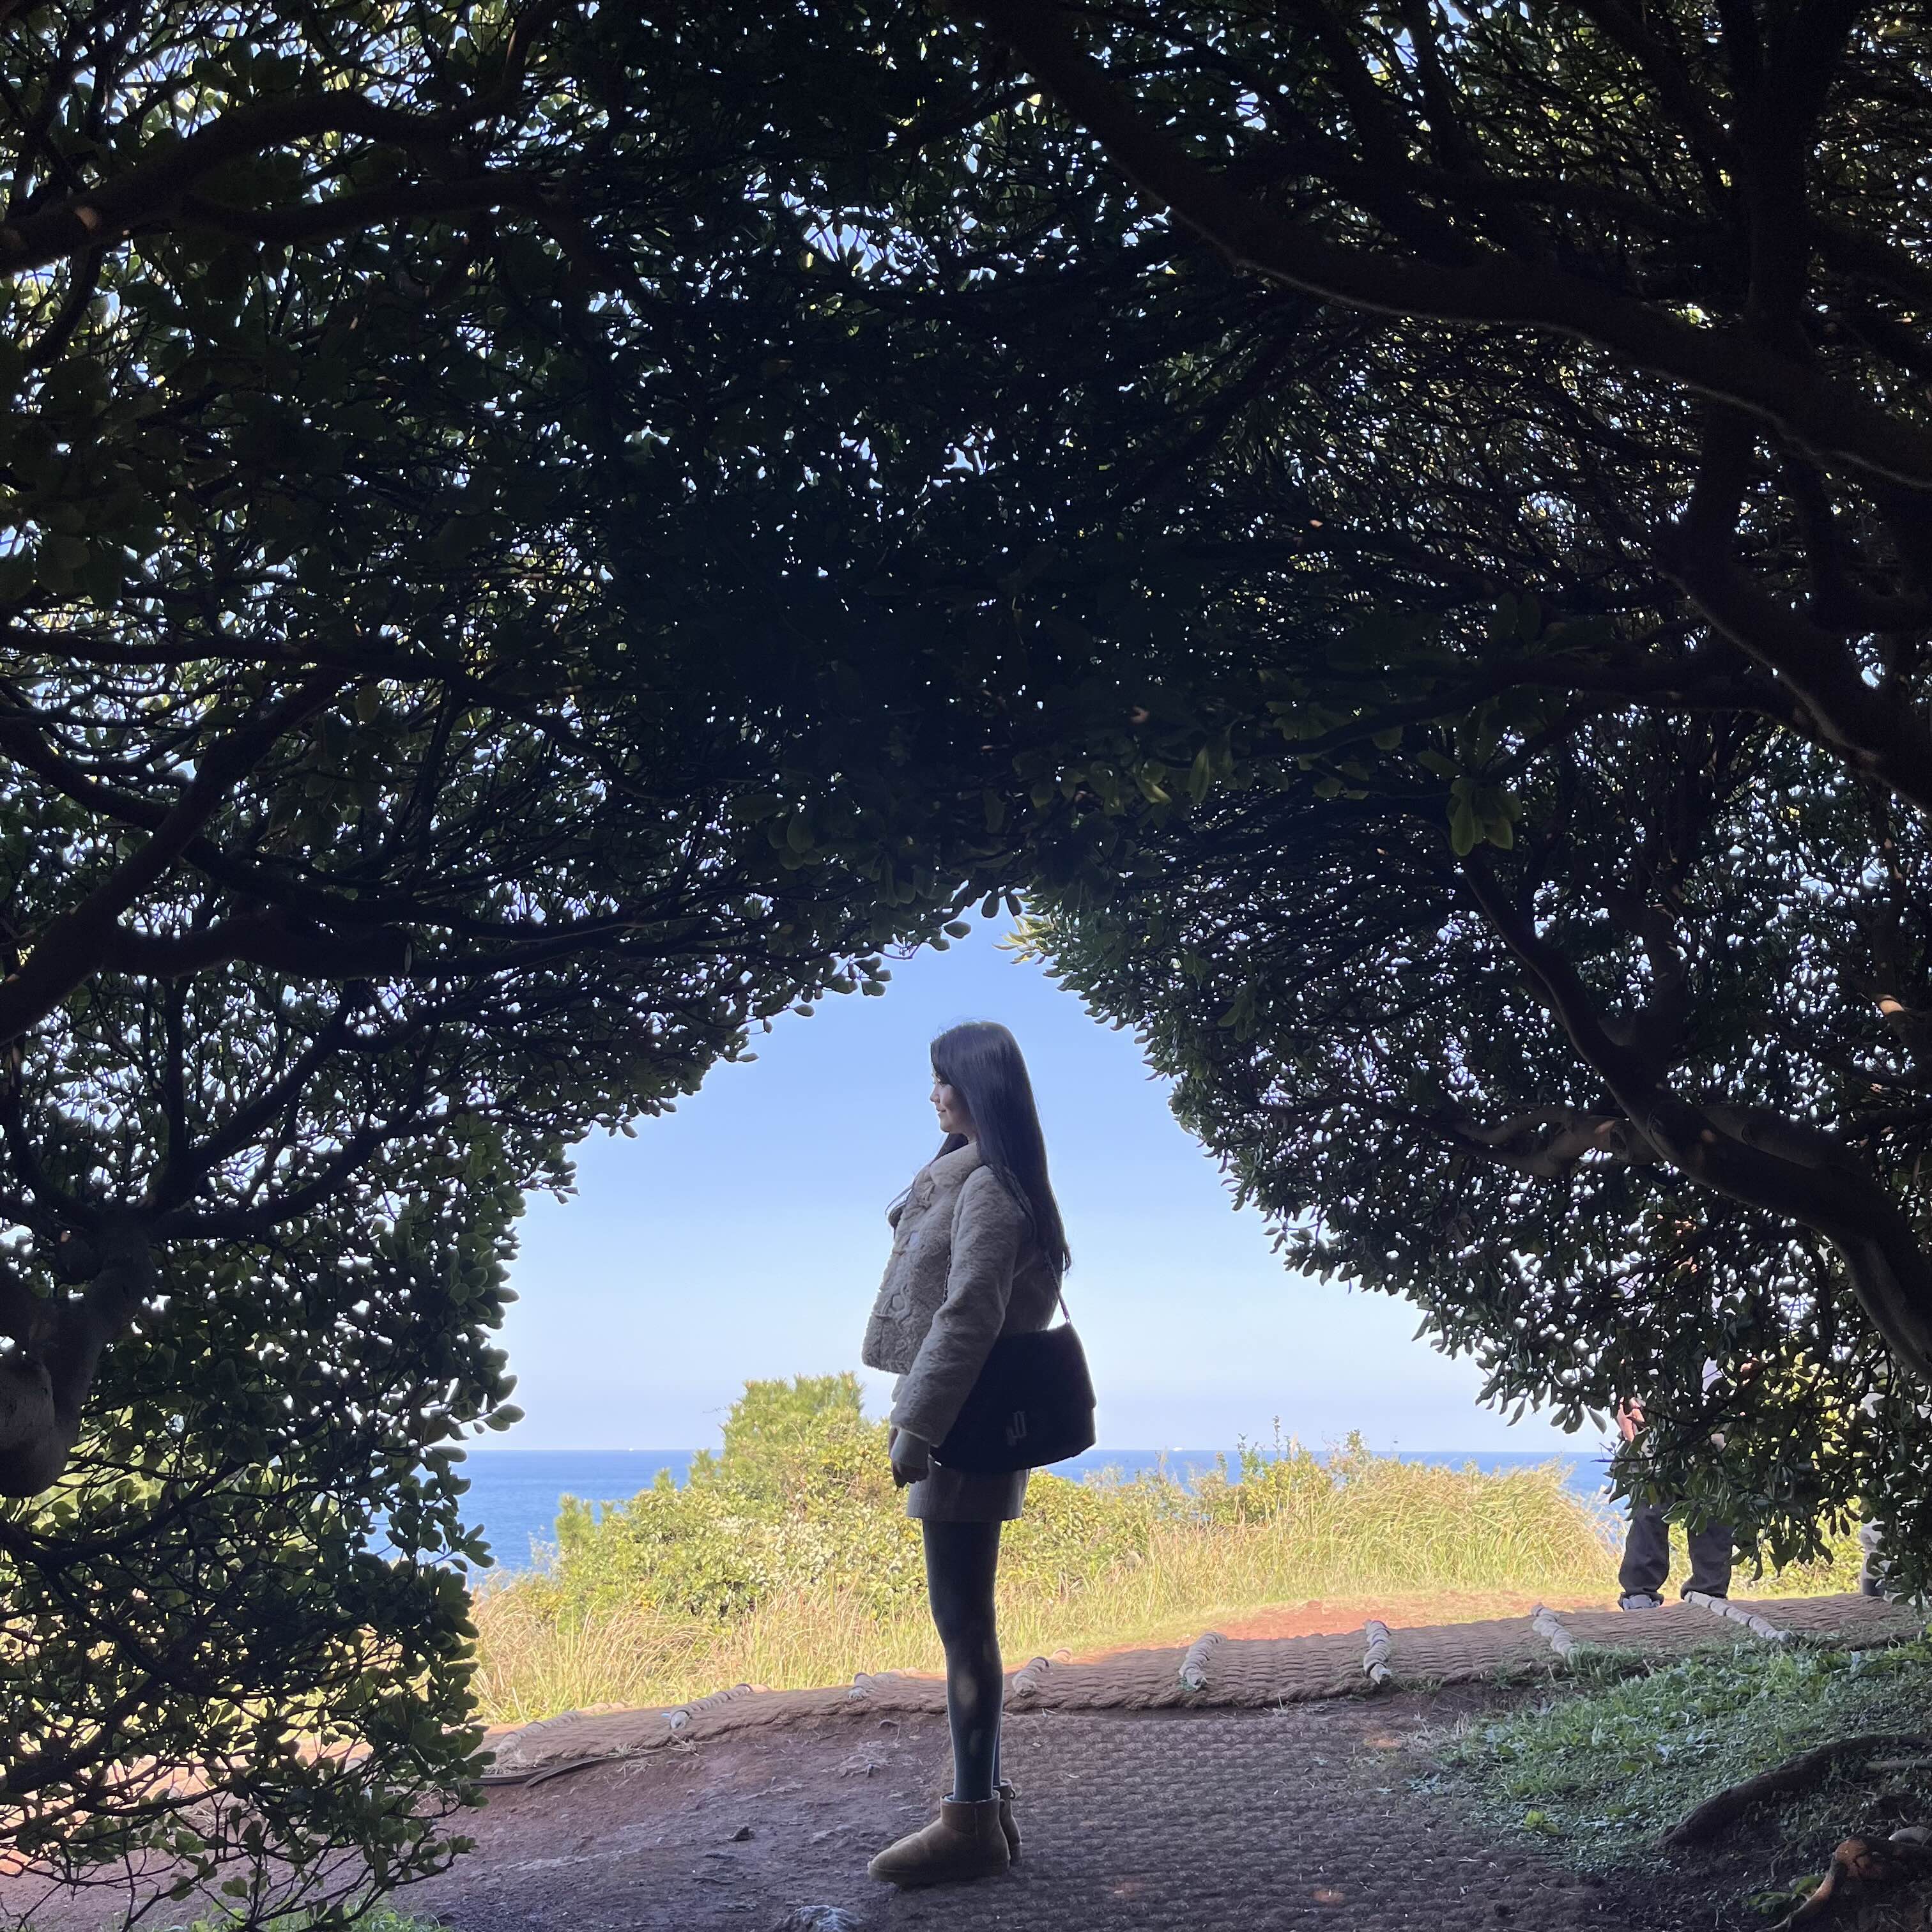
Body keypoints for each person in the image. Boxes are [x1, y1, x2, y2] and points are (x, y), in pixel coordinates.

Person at [861, 1020, 1070, 1889]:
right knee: (963, 1621)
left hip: (965, 1422)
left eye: (945, 1079)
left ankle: (971, 1822)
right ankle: (984, 1807)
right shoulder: (983, 1176)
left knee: (963, 1623)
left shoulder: (989, 1187)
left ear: (980, 1087)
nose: (935, 1094)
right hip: (965, 1416)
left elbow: (970, 1313)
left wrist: (919, 1424)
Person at [1615, 1379, 1735, 1609]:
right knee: (1651, 1507)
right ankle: (1639, 1593)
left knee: (1714, 1507)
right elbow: (1623, 1363)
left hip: (1719, 1413)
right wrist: (1624, 1403)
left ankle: (1709, 1593)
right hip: (1654, 1414)